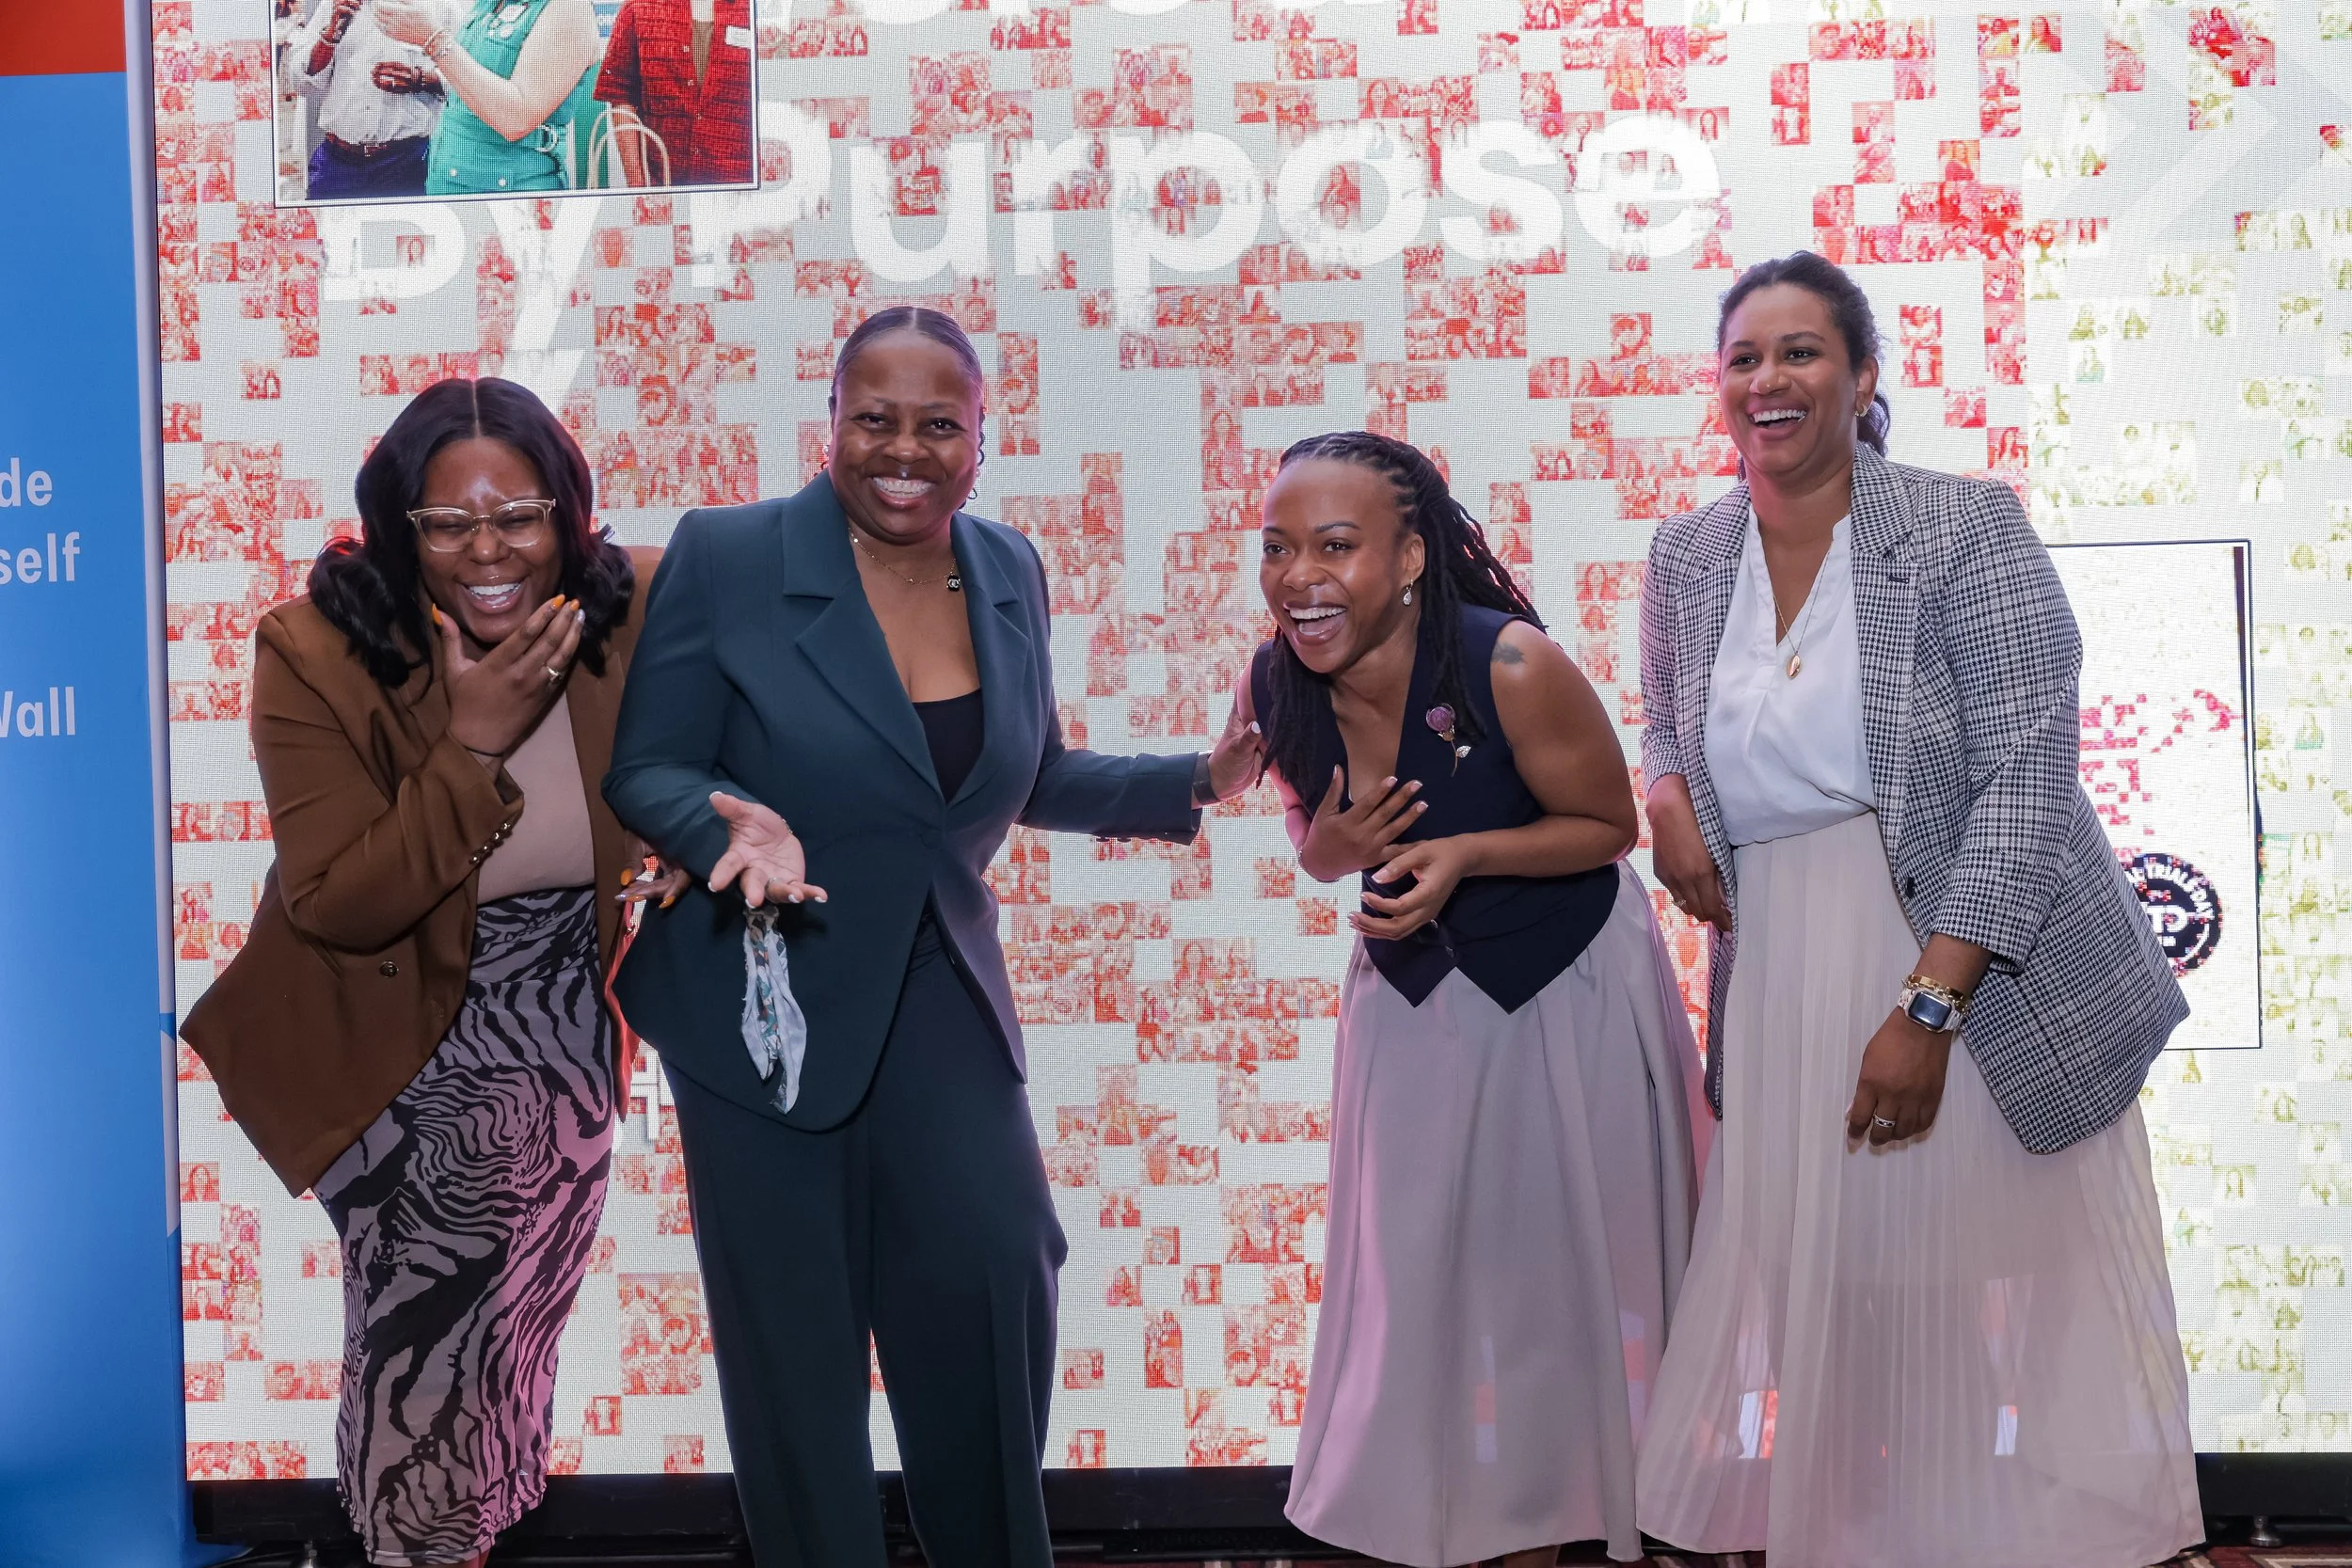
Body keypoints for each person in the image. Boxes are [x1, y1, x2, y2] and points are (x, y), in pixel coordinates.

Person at [601, 305, 1263, 1568]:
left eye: (936, 424)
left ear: (979, 438)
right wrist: (726, 829)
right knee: (795, 1350)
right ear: (832, 419)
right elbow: (651, 764)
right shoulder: (730, 555)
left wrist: (1196, 778)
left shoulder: (1006, 564)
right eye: (873, 418)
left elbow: (1026, 770)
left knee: (994, 1276)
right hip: (765, 1002)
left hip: (940, 993)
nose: (901, 448)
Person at [1631, 252, 2201, 1566]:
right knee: (1837, 1291)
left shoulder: (1960, 524)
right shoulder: (1688, 550)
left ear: (1863, 375)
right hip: (1778, 962)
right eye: (1743, 357)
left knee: (1998, 1275)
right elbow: (1669, 713)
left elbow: (2028, 776)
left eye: (1801, 351)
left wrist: (1930, 1002)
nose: (1767, 379)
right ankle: (1862, 1536)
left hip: (1966, 954)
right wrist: (1664, 795)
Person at [181, 377, 671, 1568]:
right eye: (449, 523)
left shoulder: (633, 608)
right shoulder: (317, 649)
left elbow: (728, 749)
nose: (489, 549)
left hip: (563, 1047)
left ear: (570, 513)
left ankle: (437, 1540)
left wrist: (710, 844)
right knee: (426, 1371)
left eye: (522, 514)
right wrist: (473, 743)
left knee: (502, 1366)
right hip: (402, 1054)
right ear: (399, 526)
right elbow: (341, 898)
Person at [1239, 431, 1705, 1567]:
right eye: (1279, 547)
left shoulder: (1510, 665)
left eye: (1335, 545)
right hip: (1415, 1004)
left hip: (1563, 987)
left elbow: (1605, 829)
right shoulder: (1274, 677)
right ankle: (1462, 1517)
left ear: (1407, 559)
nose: (1301, 574)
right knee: (1425, 1275)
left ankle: (1586, 1514)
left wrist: (1464, 856)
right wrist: (1325, 851)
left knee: (1559, 1274)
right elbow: (1316, 838)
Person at [375, 0, 603, 195]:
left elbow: (516, 120)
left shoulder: (567, 10)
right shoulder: (490, 4)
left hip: (512, 203)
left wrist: (432, 39)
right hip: (449, 191)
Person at [284, 0, 441, 199]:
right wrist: (331, 33)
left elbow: (462, 78)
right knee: (324, 228)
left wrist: (421, 79)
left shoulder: (436, 5)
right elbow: (302, 83)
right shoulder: (334, 5)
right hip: (336, 164)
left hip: (405, 163)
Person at [595, 0, 755, 187]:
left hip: (740, 190)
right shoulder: (639, 6)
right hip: (665, 186)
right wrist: (637, 186)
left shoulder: (752, 8)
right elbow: (622, 98)